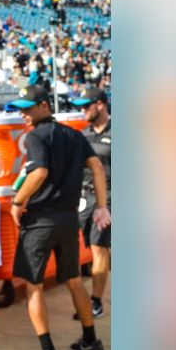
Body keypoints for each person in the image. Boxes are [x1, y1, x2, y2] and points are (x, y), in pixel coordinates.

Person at [7, 84, 111, 350]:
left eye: (28, 109)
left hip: (40, 220)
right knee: (74, 280)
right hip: (68, 220)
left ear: (44, 106)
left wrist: (18, 200)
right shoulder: (75, 135)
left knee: (34, 286)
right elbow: (98, 167)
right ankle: (91, 340)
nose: (24, 115)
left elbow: (39, 172)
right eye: (21, 110)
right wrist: (102, 205)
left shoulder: (36, 137)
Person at [71, 86, 111, 319]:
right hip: (84, 198)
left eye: (86, 105)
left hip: (110, 197)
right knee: (88, 248)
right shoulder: (83, 135)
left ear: (100, 104)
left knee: (99, 247)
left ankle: (95, 301)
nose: (82, 110)